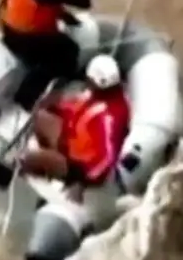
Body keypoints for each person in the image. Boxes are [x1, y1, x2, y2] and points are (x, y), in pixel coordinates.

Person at [18, 54, 131, 202]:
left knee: (28, 158)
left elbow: (107, 157)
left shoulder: (109, 117)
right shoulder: (96, 95)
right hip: (69, 141)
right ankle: (46, 163)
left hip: (76, 166)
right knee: (39, 116)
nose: (87, 82)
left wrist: (83, 180)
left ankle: (35, 179)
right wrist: (55, 106)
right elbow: (75, 110)